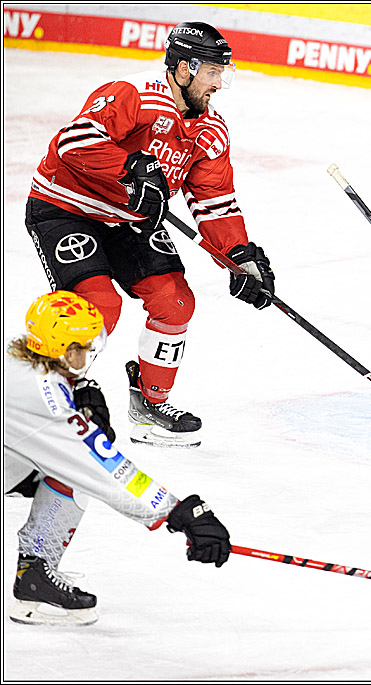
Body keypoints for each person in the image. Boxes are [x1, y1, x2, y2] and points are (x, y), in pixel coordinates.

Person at [24, 21, 276, 448]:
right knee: (98, 307)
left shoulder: (211, 132)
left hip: (131, 222)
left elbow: (214, 200)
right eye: (212, 72)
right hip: (66, 210)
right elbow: (73, 141)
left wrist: (239, 256)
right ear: (183, 69)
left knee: (175, 303)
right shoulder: (133, 97)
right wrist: (130, 168)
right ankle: (37, 409)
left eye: (222, 73)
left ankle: (148, 407)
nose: (219, 83)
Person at [4, 291, 232, 626]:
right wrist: (178, 511)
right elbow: (103, 469)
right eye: (84, 347)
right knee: (75, 474)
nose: (91, 352)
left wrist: (80, 389)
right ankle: (35, 574)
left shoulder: (22, 357)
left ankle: (35, 570)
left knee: (65, 469)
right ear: (63, 351)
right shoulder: (43, 403)